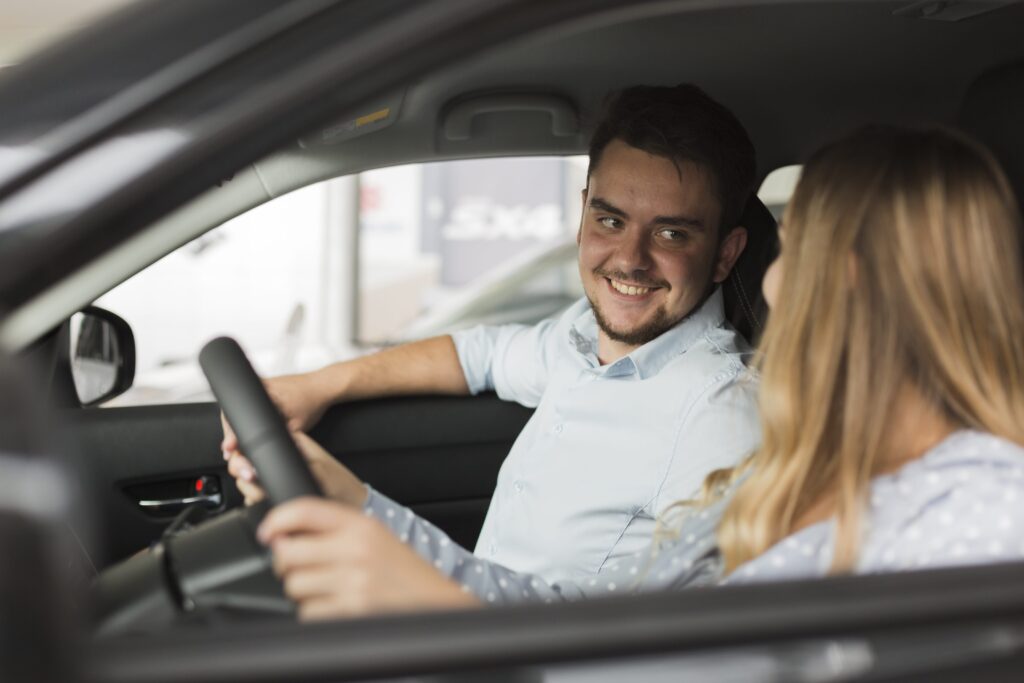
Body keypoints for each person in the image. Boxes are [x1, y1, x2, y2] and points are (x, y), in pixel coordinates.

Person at [255, 124, 1024, 620]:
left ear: (850, 279)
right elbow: (486, 354)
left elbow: (633, 655)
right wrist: (355, 491)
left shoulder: (978, 508)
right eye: (611, 219)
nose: (777, 282)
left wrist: (427, 600)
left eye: (794, 253)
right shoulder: (804, 468)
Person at [224, 84, 763, 583]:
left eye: (671, 233)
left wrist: (361, 511)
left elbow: (625, 638)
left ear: (724, 254)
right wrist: (320, 386)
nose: (629, 259)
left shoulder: (720, 416)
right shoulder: (576, 341)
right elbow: (478, 354)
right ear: (582, 217)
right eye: (611, 221)